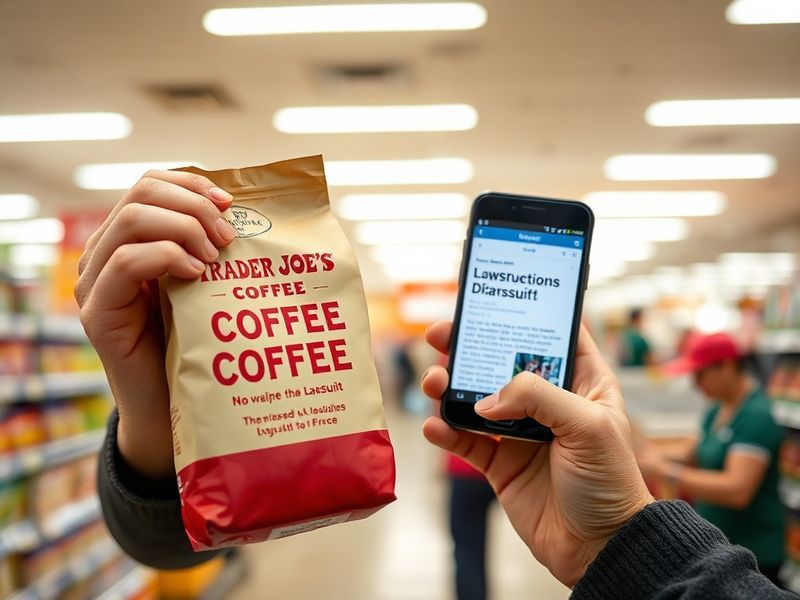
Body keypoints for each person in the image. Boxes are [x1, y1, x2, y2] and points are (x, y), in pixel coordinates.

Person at [83, 171, 791, 597]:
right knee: (465, 551)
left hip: (495, 472)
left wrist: (619, 536)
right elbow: (170, 542)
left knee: (466, 550)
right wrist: (148, 412)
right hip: (479, 470)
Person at [635, 332, 786, 586]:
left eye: (700, 374)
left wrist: (666, 471)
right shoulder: (717, 408)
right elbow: (692, 453)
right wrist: (643, 451)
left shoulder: (755, 416)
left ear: (726, 367)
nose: (695, 384)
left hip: (755, 554)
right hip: (722, 547)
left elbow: (737, 489)